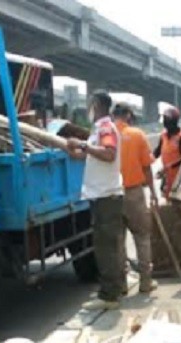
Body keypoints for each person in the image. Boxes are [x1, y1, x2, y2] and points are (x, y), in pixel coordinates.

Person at [65, 90, 125, 310]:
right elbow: (91, 154)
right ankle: (115, 289)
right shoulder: (99, 129)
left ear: (97, 105)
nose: (88, 108)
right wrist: (75, 149)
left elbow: (109, 154)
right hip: (101, 195)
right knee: (108, 246)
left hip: (106, 195)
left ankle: (109, 296)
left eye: (90, 104)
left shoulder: (105, 128)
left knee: (105, 248)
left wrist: (83, 146)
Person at [113, 102, 158, 294]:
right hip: (133, 193)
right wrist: (153, 192)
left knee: (118, 241)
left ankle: (121, 285)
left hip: (112, 194)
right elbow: (147, 167)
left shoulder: (105, 135)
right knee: (142, 237)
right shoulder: (137, 135)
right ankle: (146, 282)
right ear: (128, 115)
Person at [154, 107, 181, 199]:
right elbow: (157, 151)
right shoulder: (163, 135)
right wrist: (146, 161)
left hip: (178, 176)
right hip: (167, 176)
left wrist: (168, 167)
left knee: (178, 201)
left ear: (173, 121)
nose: (164, 122)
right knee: (166, 199)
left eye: (166, 119)